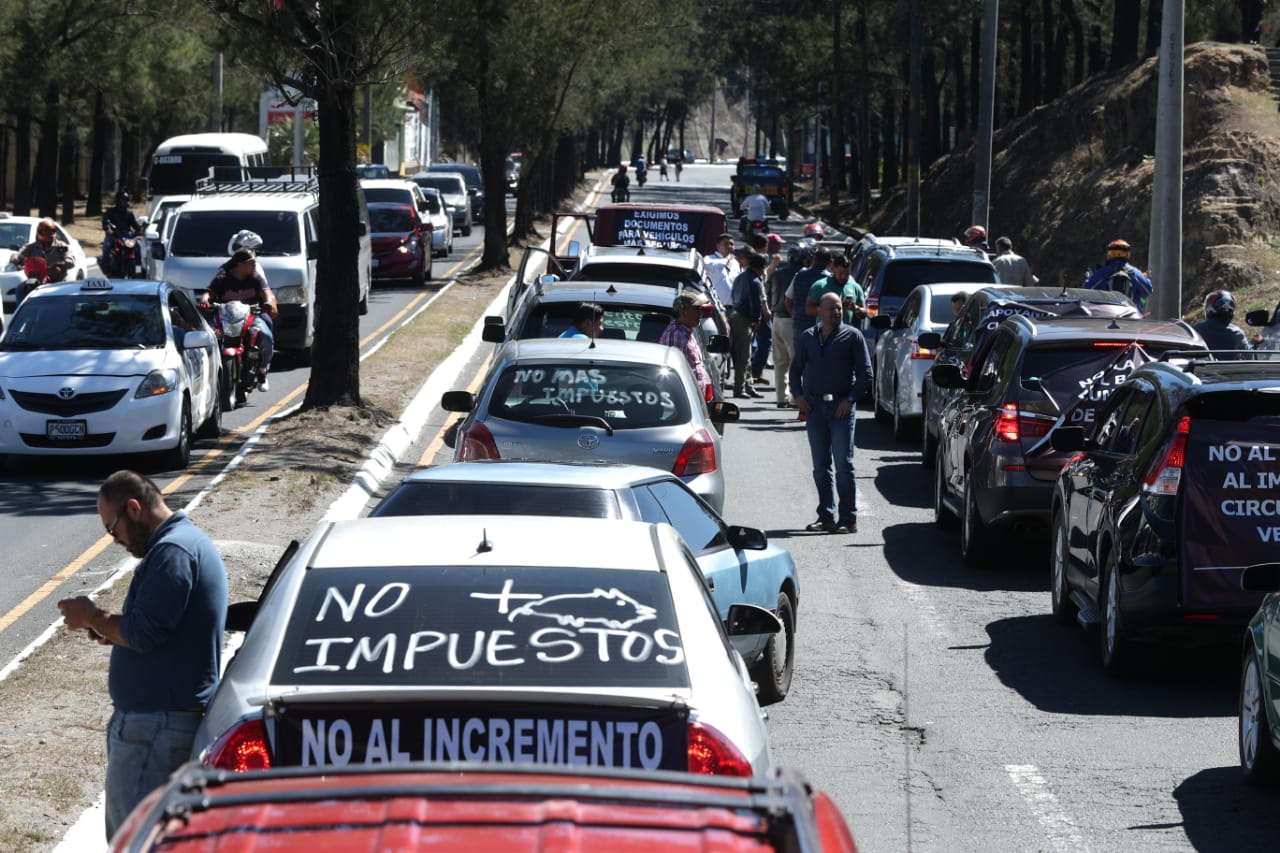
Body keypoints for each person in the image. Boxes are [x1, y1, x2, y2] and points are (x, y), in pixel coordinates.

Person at [57, 470, 228, 841]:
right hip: (157, 725)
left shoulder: (173, 552)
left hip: (157, 728)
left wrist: (90, 615)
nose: (114, 539)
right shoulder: (178, 545)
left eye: (111, 528)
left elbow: (144, 632)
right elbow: (155, 629)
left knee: (136, 841)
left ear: (134, 508)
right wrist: (108, 631)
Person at [789, 292, 873, 534]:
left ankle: (848, 518)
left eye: (839, 309)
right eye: (831, 309)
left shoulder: (852, 336)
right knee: (820, 465)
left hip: (840, 409)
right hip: (814, 408)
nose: (836, 312)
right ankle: (826, 516)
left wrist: (850, 400)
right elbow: (795, 371)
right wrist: (798, 395)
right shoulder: (808, 337)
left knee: (843, 464)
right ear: (819, 311)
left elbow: (866, 374)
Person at [202, 247, 278, 391]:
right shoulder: (222, 278)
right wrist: (205, 301)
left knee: (266, 336)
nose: (254, 265)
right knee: (209, 337)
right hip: (225, 318)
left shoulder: (255, 277)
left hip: (251, 316)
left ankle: (262, 371)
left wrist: (267, 301)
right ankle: (210, 374)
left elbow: (266, 293)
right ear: (239, 264)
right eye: (251, 262)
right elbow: (208, 293)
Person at [769, 241, 807, 408]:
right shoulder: (801, 274)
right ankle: (794, 397)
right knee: (795, 361)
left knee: (779, 361)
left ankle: (781, 398)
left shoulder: (778, 272)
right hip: (791, 320)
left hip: (776, 318)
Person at [660, 291, 711, 397]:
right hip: (685, 396)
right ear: (683, 312)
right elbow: (673, 374)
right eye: (696, 309)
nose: (700, 314)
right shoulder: (676, 334)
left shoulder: (686, 332)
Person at [730, 252, 767, 398]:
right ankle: (739, 388)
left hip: (736, 314)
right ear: (762, 267)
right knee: (744, 356)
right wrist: (756, 320)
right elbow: (755, 303)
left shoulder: (741, 276)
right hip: (745, 319)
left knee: (746, 354)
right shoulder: (755, 281)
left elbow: (733, 295)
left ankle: (748, 385)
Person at [1082, 238, 1153, 313]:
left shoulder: (1102, 273)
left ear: (1110, 254)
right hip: (1131, 317)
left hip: (1105, 316)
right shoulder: (1134, 273)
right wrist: (1146, 278)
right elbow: (1148, 291)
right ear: (1127, 254)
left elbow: (1086, 291)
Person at [806, 254, 865, 327]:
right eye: (840, 273)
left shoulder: (855, 287)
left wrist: (856, 308)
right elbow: (809, 309)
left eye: (847, 274)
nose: (843, 277)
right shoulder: (820, 286)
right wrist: (836, 308)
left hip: (847, 334)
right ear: (833, 269)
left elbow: (864, 313)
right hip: (825, 333)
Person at [1194, 290, 1250, 358]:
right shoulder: (1238, 333)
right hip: (1232, 369)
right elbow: (1249, 358)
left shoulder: (1195, 330)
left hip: (1203, 368)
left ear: (1209, 307)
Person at [13, 217, 71, 283]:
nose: (48, 234)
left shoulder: (61, 246)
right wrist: (15, 257)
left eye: (50, 231)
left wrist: (67, 261)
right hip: (36, 278)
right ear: (39, 232)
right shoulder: (32, 247)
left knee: (62, 288)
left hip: (57, 279)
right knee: (20, 289)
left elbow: (69, 255)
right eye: (45, 231)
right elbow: (20, 253)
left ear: (54, 232)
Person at [704, 233, 739, 308]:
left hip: (734, 307)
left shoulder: (736, 262)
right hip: (715, 307)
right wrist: (727, 260)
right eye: (726, 243)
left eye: (731, 244)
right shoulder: (709, 259)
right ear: (718, 246)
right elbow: (707, 266)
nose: (729, 246)